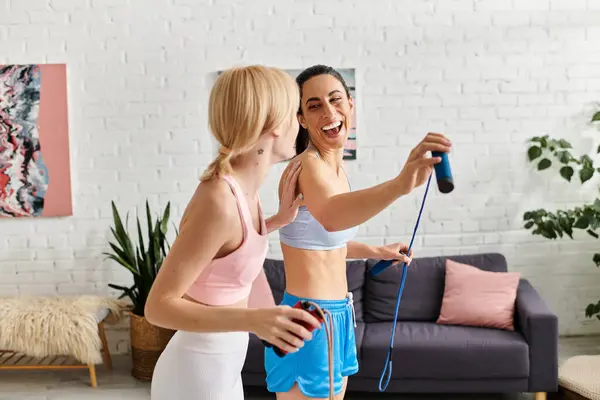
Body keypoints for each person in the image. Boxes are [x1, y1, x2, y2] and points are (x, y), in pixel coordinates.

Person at [264, 64, 452, 399]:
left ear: (350, 105)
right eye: (314, 105)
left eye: (336, 100)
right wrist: (399, 184)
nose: (329, 112)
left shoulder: (335, 170)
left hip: (338, 315)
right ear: (302, 120)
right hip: (309, 317)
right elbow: (333, 218)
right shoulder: (306, 165)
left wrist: (378, 252)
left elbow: (325, 243)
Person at [145, 65, 322, 400]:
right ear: (272, 124)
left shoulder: (243, 190)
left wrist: (275, 222)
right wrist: (255, 320)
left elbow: (225, 252)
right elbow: (158, 306)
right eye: (294, 113)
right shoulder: (219, 200)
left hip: (222, 365)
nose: (298, 123)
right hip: (197, 372)